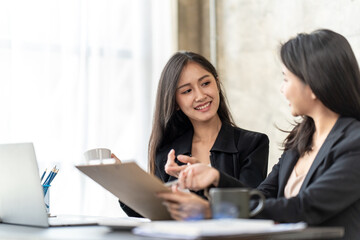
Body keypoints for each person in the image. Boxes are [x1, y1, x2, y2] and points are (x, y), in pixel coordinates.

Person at [157, 30, 360, 239]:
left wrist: (211, 211)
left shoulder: (354, 142)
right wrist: (216, 177)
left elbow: (305, 207)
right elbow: (260, 197)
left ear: (314, 84)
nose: (282, 89)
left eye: (286, 78)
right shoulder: (300, 139)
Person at [119, 51, 269, 217]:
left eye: (205, 83)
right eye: (187, 91)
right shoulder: (167, 153)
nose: (200, 96)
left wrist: (204, 181)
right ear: (176, 102)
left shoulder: (253, 144)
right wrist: (120, 181)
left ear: (217, 84)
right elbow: (149, 212)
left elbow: (252, 206)